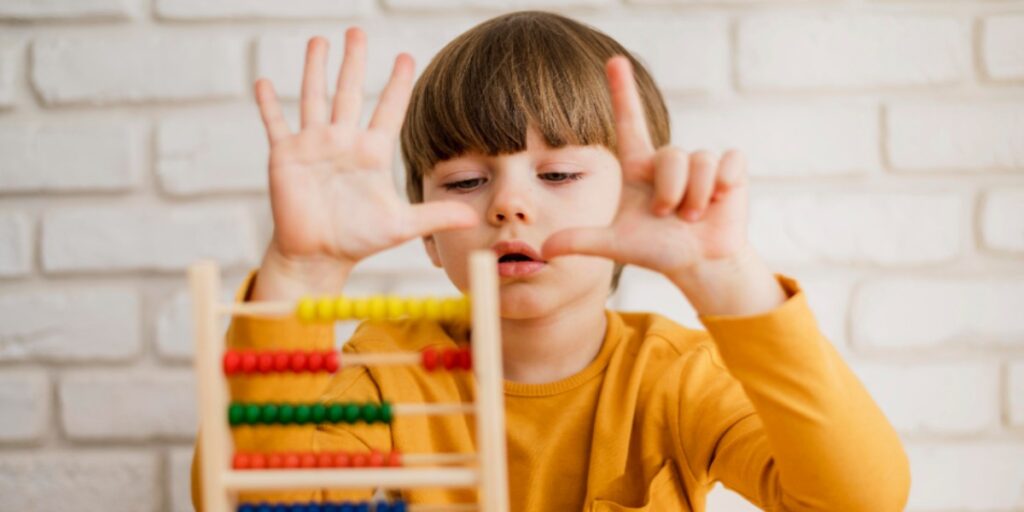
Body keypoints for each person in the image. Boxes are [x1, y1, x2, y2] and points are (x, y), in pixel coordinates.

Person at [192, 11, 911, 511]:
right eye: (467, 182)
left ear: (639, 199)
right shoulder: (385, 376)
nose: (509, 205)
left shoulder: (676, 380)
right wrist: (304, 274)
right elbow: (252, 501)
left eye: (558, 175)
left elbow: (857, 501)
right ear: (427, 236)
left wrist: (725, 277)